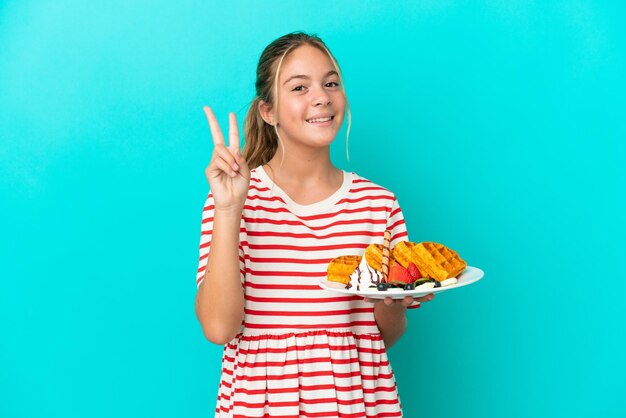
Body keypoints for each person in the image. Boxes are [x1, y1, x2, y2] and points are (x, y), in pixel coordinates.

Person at [195, 31, 434, 418]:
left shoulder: (377, 204)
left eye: (330, 83)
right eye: (299, 87)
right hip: (262, 406)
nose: (321, 96)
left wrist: (392, 301)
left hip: (359, 404)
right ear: (267, 111)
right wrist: (229, 209)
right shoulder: (235, 199)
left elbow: (382, 337)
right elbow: (219, 329)